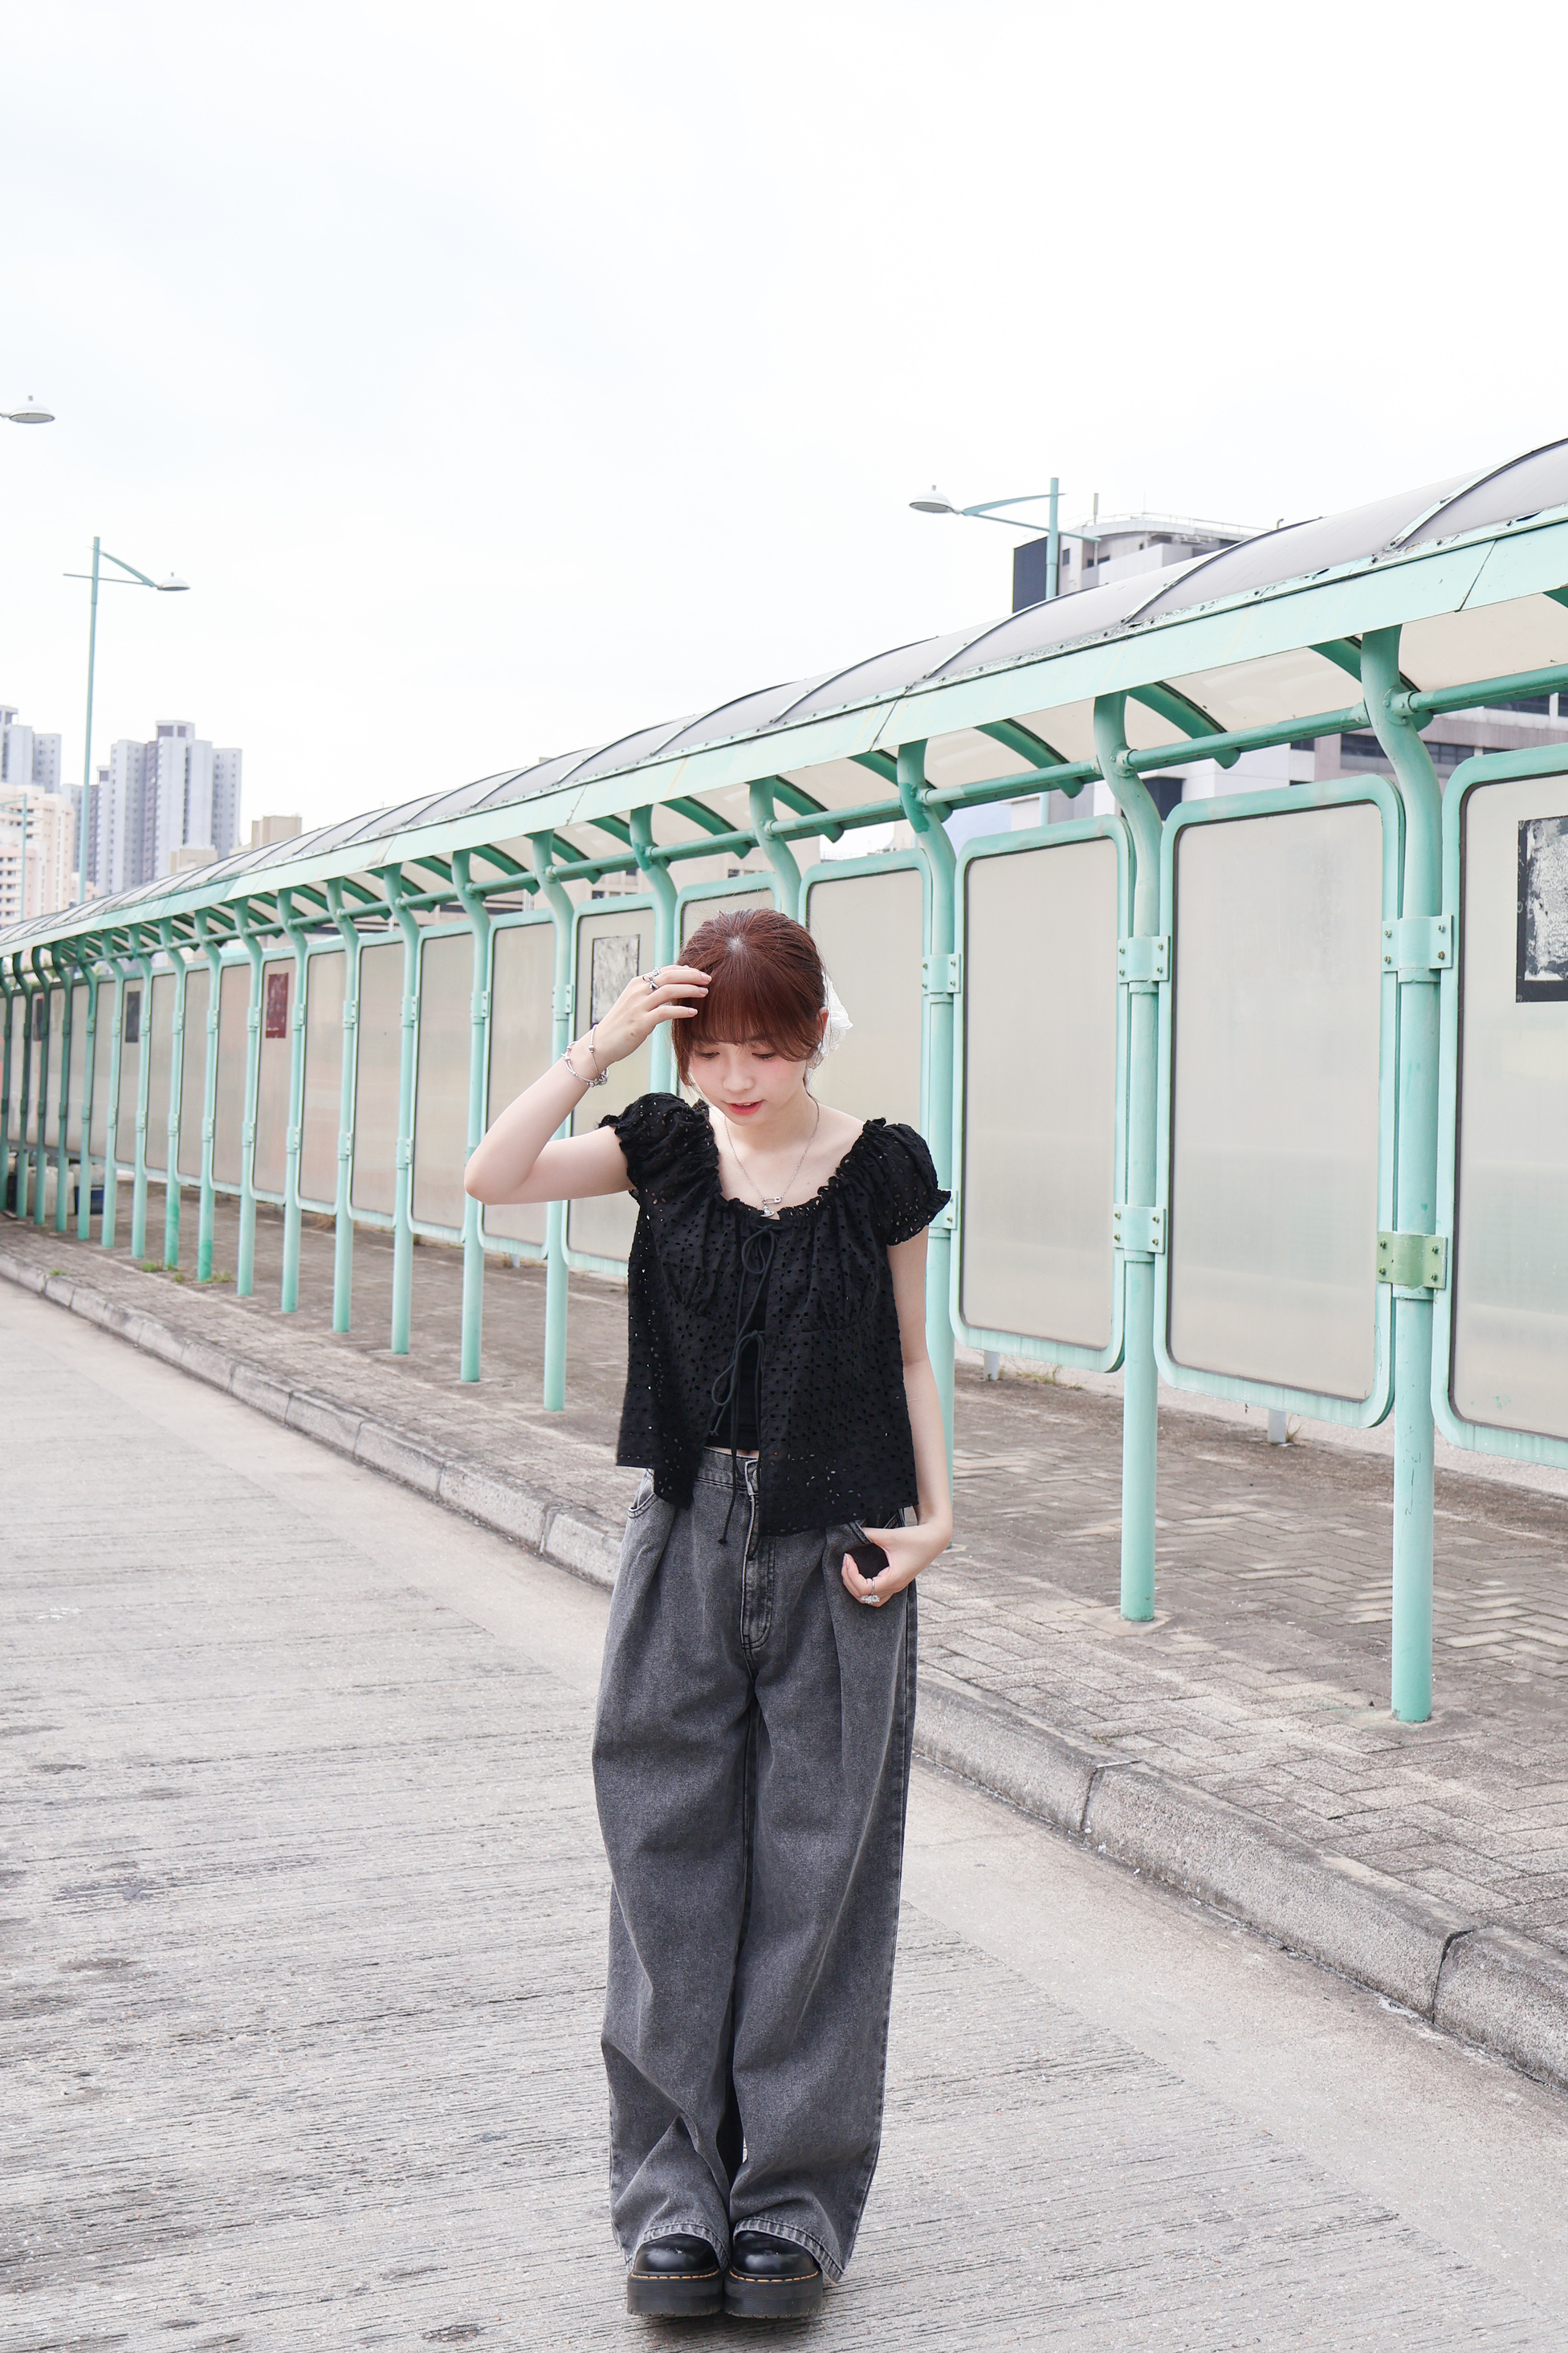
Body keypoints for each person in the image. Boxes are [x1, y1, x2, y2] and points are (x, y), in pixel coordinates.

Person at [464, 906, 952, 2322]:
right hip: (685, 1532)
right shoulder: (661, 1148)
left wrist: (939, 1516)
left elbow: (911, 1355)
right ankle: (674, 2200)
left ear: (813, 1035)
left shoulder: (879, 1169)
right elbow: (491, 1177)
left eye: (765, 1048)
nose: (737, 1078)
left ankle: (789, 2206)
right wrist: (601, 1045)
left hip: (842, 1540)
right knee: (662, 1862)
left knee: (820, 1878)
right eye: (711, 1049)